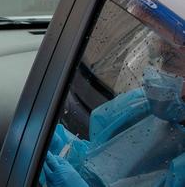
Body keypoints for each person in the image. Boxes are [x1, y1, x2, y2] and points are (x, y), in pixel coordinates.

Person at [42, 45, 185, 186]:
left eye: (170, 58)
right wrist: (62, 149)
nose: (160, 49)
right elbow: (100, 165)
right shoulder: (146, 106)